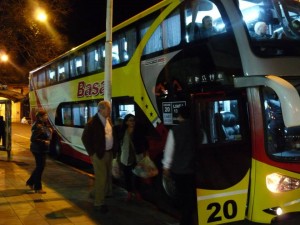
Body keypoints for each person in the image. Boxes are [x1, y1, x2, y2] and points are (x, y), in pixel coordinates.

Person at [162, 106, 197, 225]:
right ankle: (189, 219)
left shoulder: (174, 130)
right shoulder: (198, 129)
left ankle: (185, 221)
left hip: (179, 171)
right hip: (193, 169)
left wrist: (166, 166)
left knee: (182, 197)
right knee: (191, 196)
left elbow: (169, 151)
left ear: (180, 116)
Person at [81, 100, 116, 213]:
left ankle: (96, 194)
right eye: (107, 109)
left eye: (109, 109)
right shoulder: (92, 122)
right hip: (99, 154)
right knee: (102, 178)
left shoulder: (108, 120)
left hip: (109, 153)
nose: (109, 111)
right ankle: (98, 203)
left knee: (106, 177)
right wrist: (92, 153)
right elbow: (85, 138)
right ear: (101, 109)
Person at [117, 114, 148, 201]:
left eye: (133, 120)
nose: (132, 122)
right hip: (126, 157)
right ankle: (129, 192)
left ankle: (137, 192)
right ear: (126, 122)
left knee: (137, 176)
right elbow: (120, 144)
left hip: (137, 156)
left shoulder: (138, 130)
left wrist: (146, 152)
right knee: (127, 176)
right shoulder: (123, 131)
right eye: (130, 120)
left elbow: (144, 142)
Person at [26, 110, 52, 194]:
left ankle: (30, 182)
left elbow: (45, 134)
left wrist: (50, 131)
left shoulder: (43, 125)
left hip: (41, 149)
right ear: (40, 117)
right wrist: (44, 142)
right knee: (40, 167)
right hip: (38, 149)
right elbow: (33, 139)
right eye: (45, 116)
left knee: (39, 167)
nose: (47, 117)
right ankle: (38, 187)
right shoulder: (38, 126)